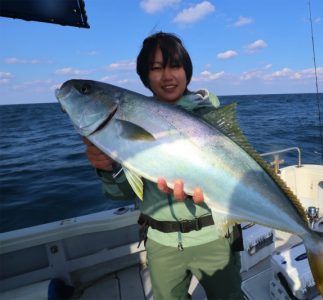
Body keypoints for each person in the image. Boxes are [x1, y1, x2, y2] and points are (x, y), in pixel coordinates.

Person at [83, 32, 244, 300]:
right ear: (145, 76)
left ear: (186, 70)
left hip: (213, 238)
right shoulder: (134, 116)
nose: (167, 76)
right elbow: (122, 193)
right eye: (157, 68)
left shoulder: (211, 117)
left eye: (175, 66)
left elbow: (238, 171)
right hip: (161, 243)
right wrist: (108, 169)